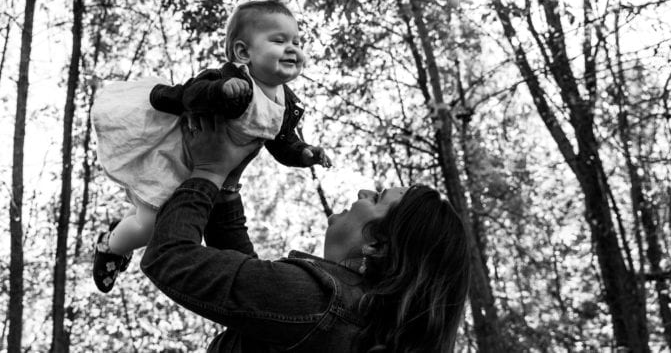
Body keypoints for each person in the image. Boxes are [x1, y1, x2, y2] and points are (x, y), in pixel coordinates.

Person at [140, 114, 472, 352]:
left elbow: (169, 258)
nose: (361, 193)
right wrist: (226, 187)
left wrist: (208, 173)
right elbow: (250, 289)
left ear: (378, 245)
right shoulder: (355, 322)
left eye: (378, 198)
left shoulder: (317, 302)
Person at [91, 0, 331, 292]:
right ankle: (110, 246)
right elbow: (190, 94)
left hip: (210, 181)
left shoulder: (286, 102)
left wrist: (304, 154)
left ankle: (121, 229)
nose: (292, 48)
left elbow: (282, 143)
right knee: (149, 226)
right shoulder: (230, 78)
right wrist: (220, 91)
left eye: (296, 41)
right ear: (244, 52)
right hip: (174, 162)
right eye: (279, 41)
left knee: (148, 214)